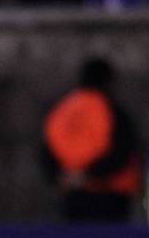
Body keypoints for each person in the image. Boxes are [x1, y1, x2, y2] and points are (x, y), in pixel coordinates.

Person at [41, 57, 142, 222]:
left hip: (72, 195)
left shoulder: (61, 110)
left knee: (76, 237)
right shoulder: (113, 111)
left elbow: (47, 148)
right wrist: (89, 175)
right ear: (108, 81)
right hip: (111, 195)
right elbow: (122, 152)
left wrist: (61, 176)